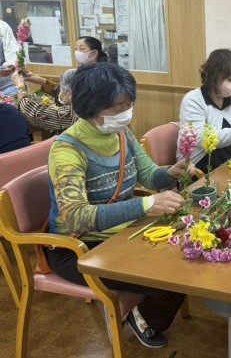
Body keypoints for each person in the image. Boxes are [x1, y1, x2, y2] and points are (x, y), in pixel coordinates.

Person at [46, 62, 193, 349]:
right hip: (78, 247)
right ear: (91, 107)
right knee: (172, 278)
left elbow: (148, 175)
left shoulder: (121, 133)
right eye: (118, 106)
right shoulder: (66, 150)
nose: (127, 111)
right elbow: (76, 218)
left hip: (119, 232)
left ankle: (143, 314)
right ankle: (143, 320)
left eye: (129, 103)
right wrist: (146, 205)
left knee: (185, 256)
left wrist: (170, 173)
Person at [23, 36, 108, 88]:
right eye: (76, 49)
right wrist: (42, 81)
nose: (77, 52)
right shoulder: (82, 71)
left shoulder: (100, 76)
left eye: (81, 48)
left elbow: (70, 97)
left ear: (94, 53)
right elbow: (67, 94)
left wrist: (21, 89)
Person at [12, 68, 78, 134]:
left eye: (61, 88)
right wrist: (43, 82)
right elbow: (61, 92)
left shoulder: (73, 113)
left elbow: (35, 113)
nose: (60, 90)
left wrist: (20, 87)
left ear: (69, 92)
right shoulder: (81, 99)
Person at [0, 19, 20, 96]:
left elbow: (13, 51)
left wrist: (12, 66)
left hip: (6, 83)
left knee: (16, 93)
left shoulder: (2, 26)